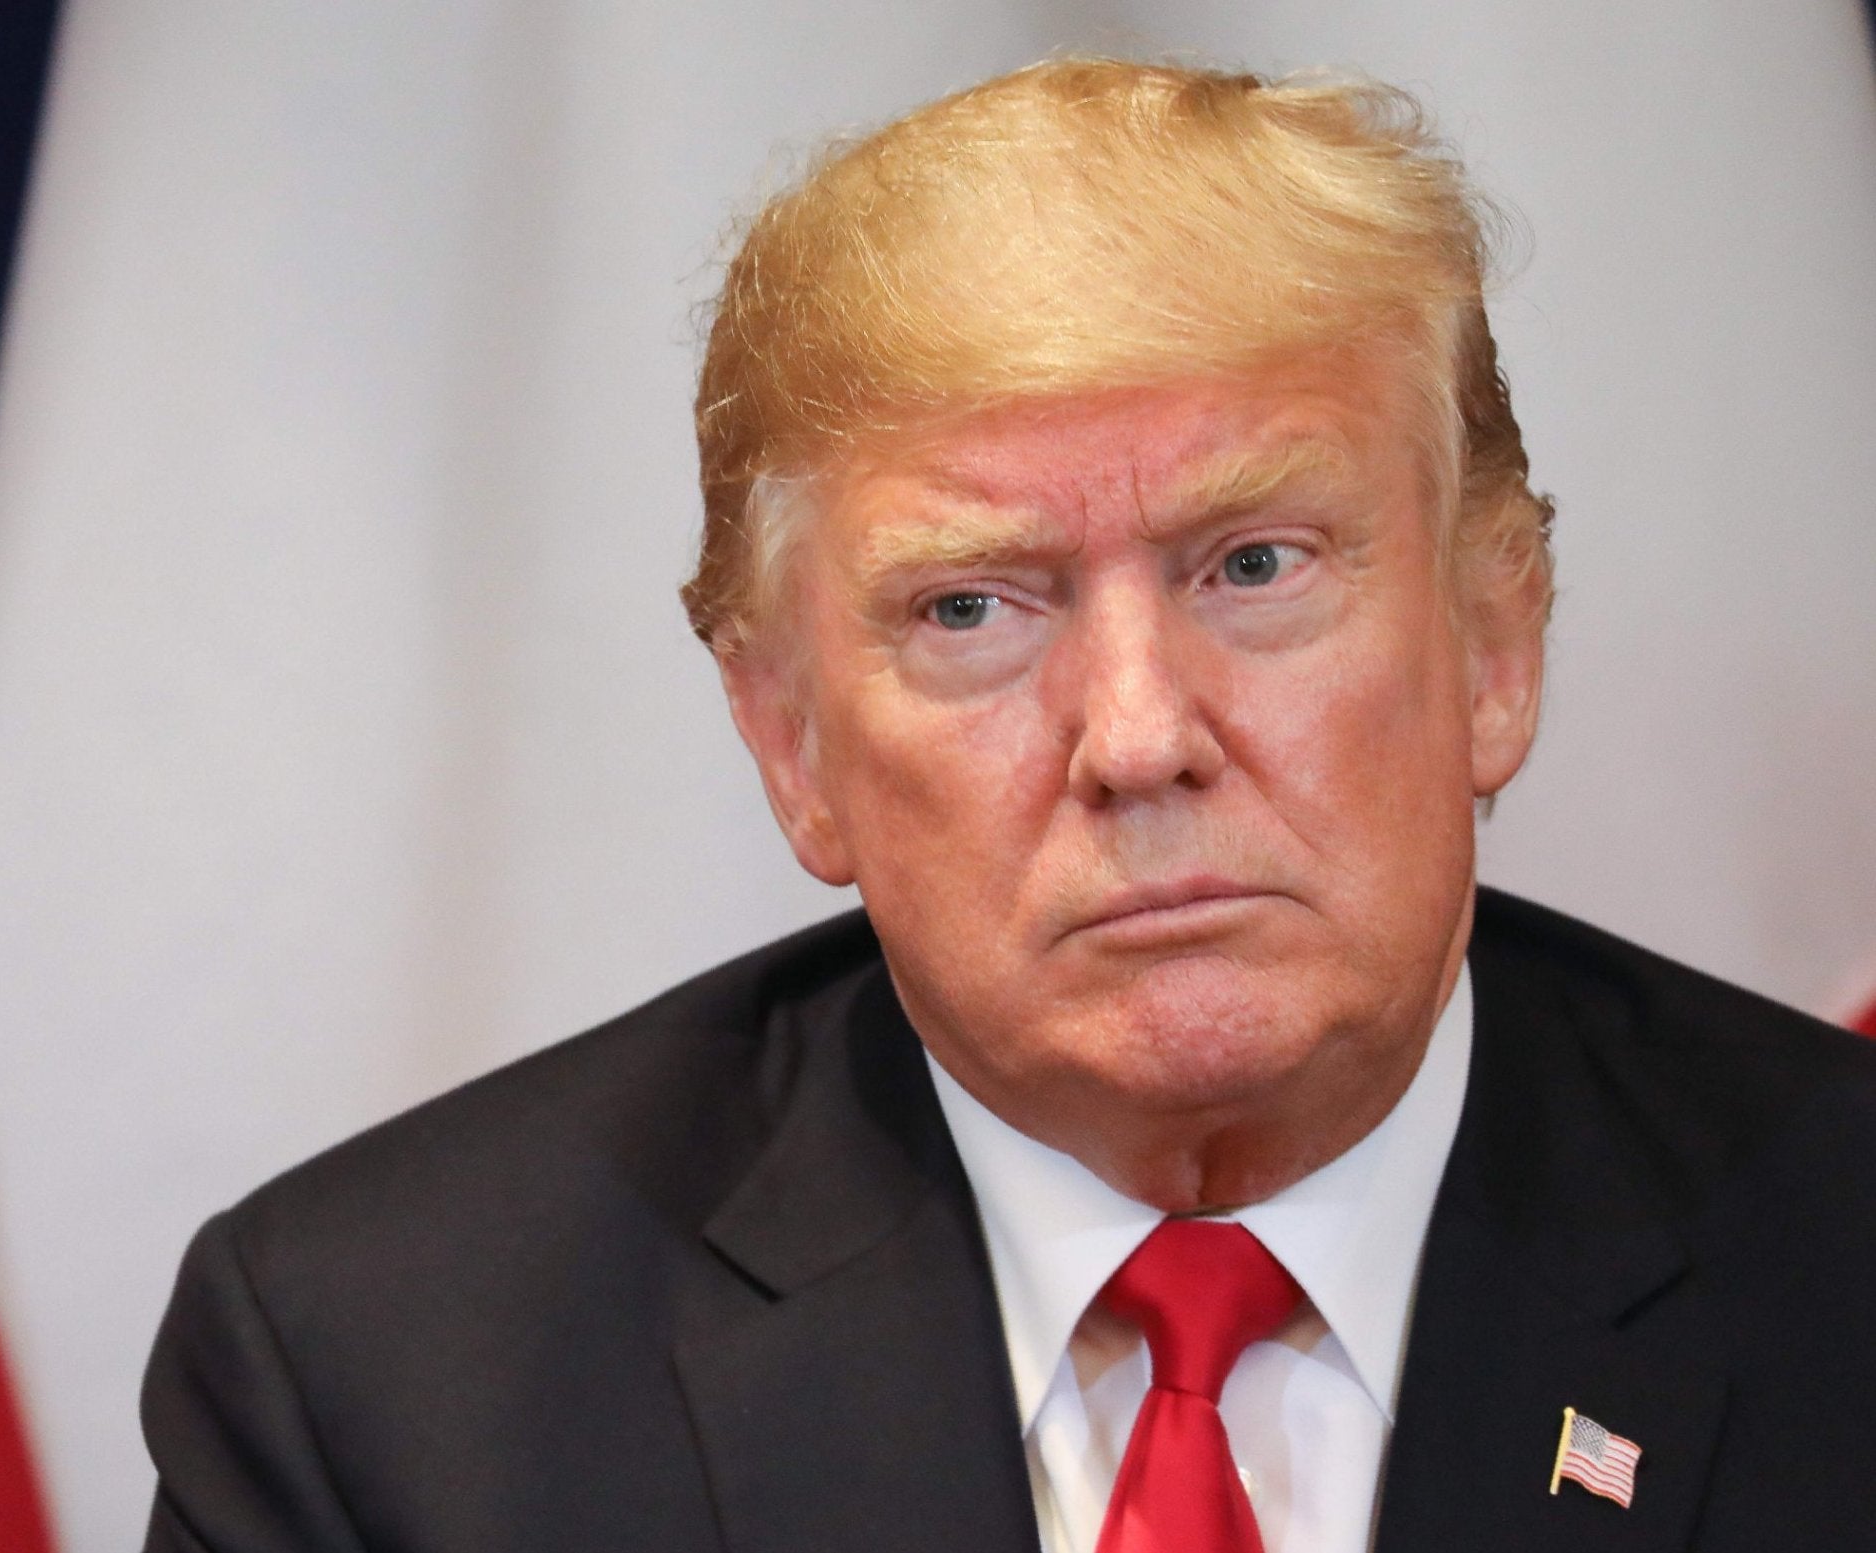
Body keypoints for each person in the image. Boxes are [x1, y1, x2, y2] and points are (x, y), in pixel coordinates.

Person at [139, 58, 1876, 1553]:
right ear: (790, 742)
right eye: (969, 607)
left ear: (1495, 643)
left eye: (1254, 564)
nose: (1134, 738)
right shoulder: (386, 1382)